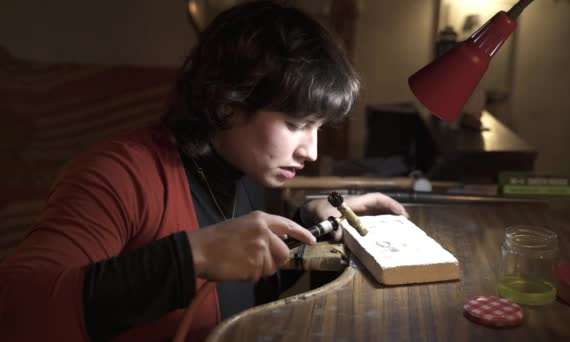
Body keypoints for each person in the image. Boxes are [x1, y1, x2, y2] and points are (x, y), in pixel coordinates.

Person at [0, 1, 407, 341]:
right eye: (297, 125)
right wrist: (191, 256)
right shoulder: (118, 174)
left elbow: (231, 295)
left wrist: (305, 224)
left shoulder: (243, 167)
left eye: (318, 128)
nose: (312, 152)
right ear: (229, 101)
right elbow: (17, 311)